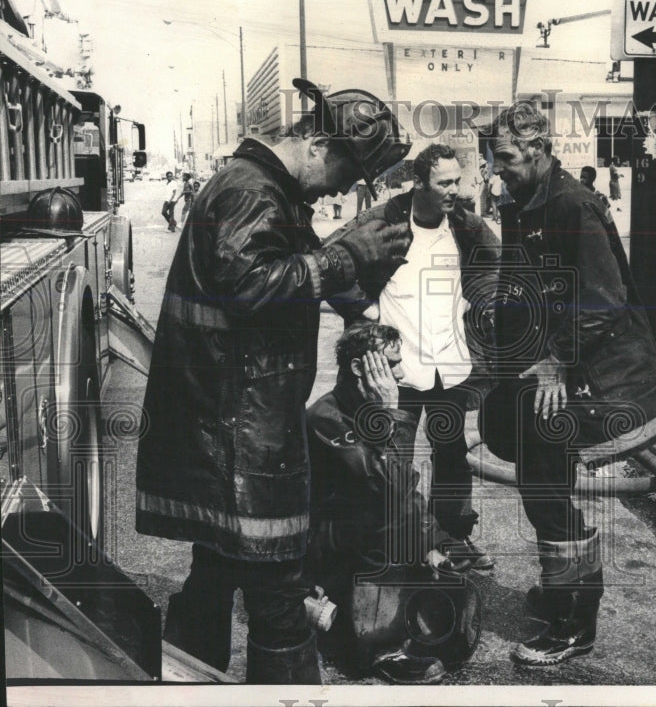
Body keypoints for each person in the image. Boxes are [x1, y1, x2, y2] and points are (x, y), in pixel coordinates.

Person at [135, 77, 413, 684]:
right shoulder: (251, 191)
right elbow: (250, 285)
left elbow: (308, 275)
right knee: (281, 597)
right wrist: (347, 254)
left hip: (230, 429)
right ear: (316, 142)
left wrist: (361, 277)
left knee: (213, 580)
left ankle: (181, 689)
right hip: (239, 440)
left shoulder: (272, 193)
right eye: (347, 169)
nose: (345, 185)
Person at [481, 101, 656, 665]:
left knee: (548, 497)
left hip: (571, 380)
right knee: (540, 488)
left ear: (540, 150)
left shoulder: (573, 204)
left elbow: (603, 301)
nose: (497, 170)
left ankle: (574, 621)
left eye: (504, 159)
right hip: (537, 374)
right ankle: (558, 589)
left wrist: (553, 359)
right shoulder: (523, 202)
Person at [328, 143, 500, 571]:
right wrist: (363, 309)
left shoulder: (466, 225)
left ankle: (454, 539)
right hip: (397, 373)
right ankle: (398, 548)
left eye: (458, 181)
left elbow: (500, 268)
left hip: (450, 367)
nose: (454, 191)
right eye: (445, 183)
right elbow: (328, 261)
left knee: (452, 457)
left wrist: (479, 305)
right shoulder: (382, 221)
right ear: (419, 183)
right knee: (391, 462)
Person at [305, 322, 482, 684]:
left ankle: (391, 617)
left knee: (438, 559)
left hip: (357, 531)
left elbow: (405, 487)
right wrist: (386, 414)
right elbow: (384, 485)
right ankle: (374, 649)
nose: (401, 373)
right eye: (392, 363)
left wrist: (434, 542)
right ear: (359, 368)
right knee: (384, 521)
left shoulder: (371, 412)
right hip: (323, 543)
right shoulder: (325, 417)